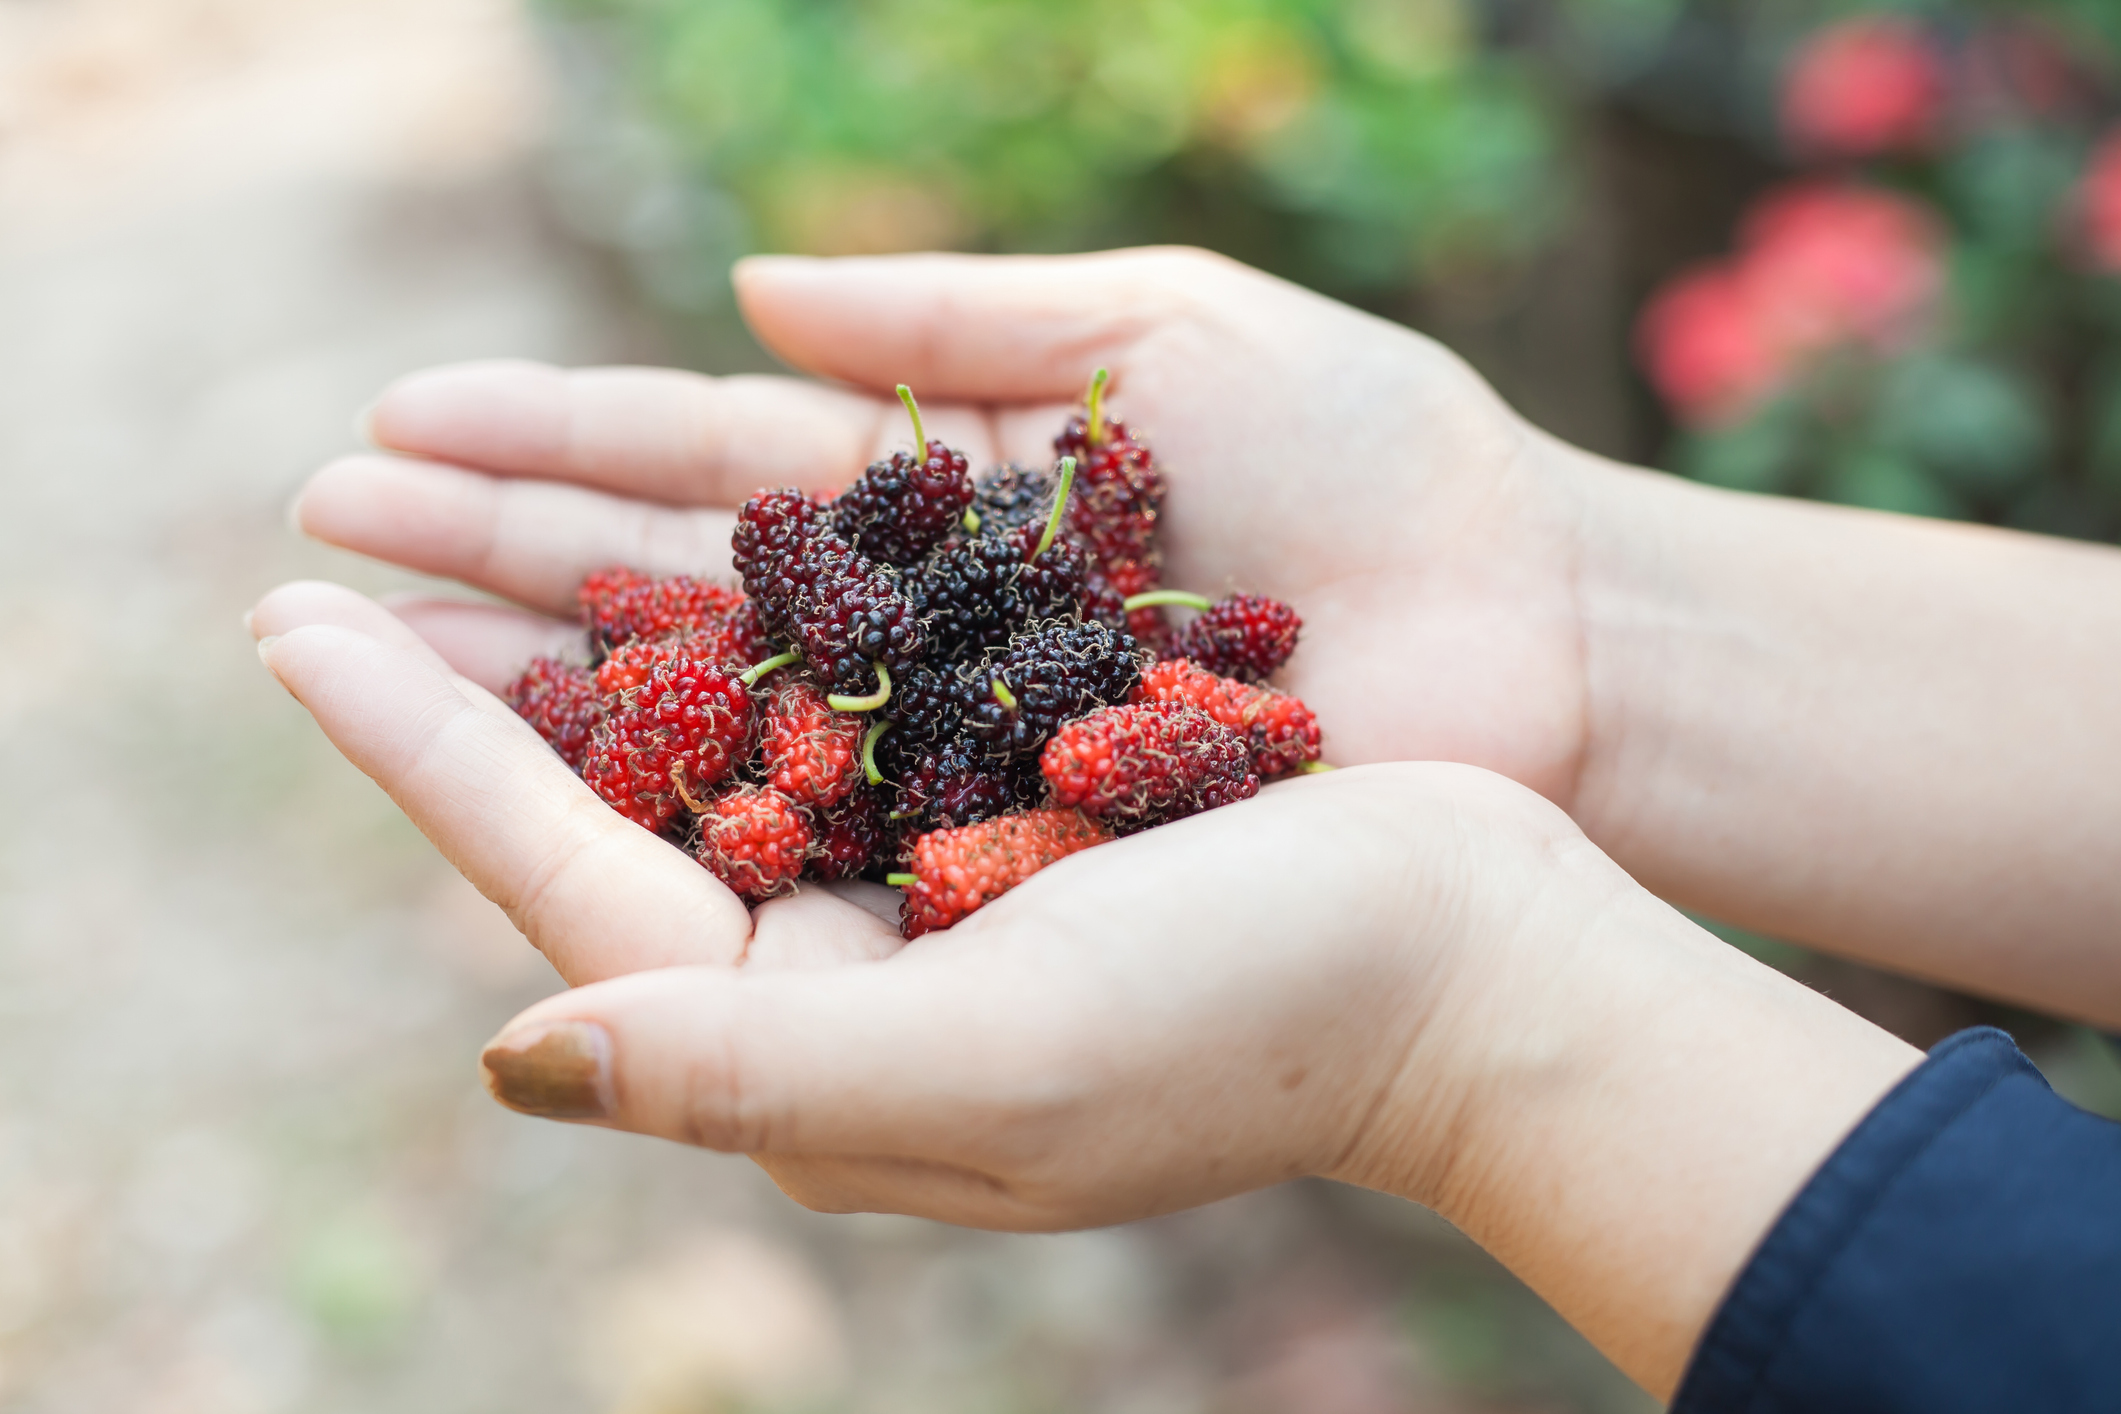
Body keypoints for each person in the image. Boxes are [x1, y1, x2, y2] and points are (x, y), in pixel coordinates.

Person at [248, 248, 2121, 1410]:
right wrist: (1590, 622)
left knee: (989, 712)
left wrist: (1451, 1016)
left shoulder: (1055, 651)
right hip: (947, 683)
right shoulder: (874, 664)